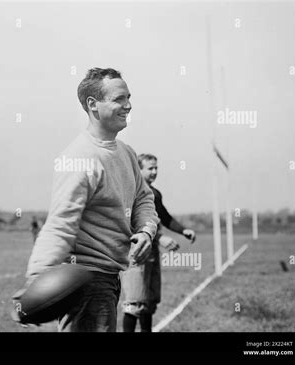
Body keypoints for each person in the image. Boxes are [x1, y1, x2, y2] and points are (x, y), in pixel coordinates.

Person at [13, 68, 159, 332]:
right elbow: (60, 224)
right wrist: (37, 279)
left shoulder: (126, 153)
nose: (128, 105)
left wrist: (146, 231)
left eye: (128, 97)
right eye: (119, 99)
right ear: (93, 104)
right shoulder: (80, 158)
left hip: (110, 279)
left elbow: (143, 199)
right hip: (86, 283)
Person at [122, 154, 196, 332]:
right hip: (136, 252)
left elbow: (165, 217)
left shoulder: (154, 193)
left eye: (156, 168)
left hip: (152, 252)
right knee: (135, 302)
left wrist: (182, 230)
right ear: (138, 170)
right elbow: (132, 223)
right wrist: (159, 238)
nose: (154, 171)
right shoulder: (132, 192)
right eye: (150, 168)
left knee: (149, 301)